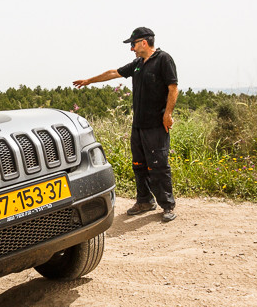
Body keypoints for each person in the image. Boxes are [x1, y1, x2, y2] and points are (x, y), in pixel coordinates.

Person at [73, 26, 179, 222]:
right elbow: (114, 73)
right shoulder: (138, 63)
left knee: (158, 165)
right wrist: (89, 80)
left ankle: (167, 205)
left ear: (144, 42)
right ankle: (145, 200)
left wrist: (168, 114)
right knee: (139, 164)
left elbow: (173, 88)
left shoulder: (164, 59)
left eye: (133, 44)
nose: (131, 48)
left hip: (156, 124)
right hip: (138, 125)